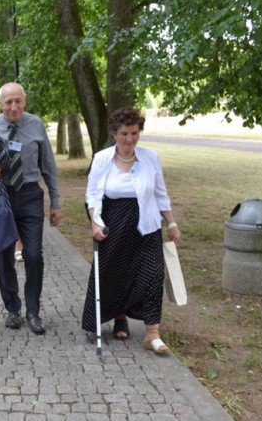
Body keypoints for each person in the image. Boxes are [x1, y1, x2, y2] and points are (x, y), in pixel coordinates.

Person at [83, 106, 181, 355]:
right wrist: (95, 222)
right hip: (113, 223)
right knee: (115, 274)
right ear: (115, 133)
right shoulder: (103, 158)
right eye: (125, 133)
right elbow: (93, 195)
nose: (130, 139)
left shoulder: (150, 157)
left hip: (146, 225)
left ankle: (152, 334)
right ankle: (119, 319)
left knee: (152, 276)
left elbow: (160, 193)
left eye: (134, 133)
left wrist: (171, 223)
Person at [0, 82, 61, 334]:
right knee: (3, 257)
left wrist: (55, 202)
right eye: (8, 102)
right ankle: (13, 308)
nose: (13, 106)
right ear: (0, 103)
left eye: (18, 101)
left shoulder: (36, 125)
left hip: (30, 195)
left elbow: (49, 166)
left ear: (24, 101)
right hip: (0, 196)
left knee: (33, 254)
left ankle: (33, 311)